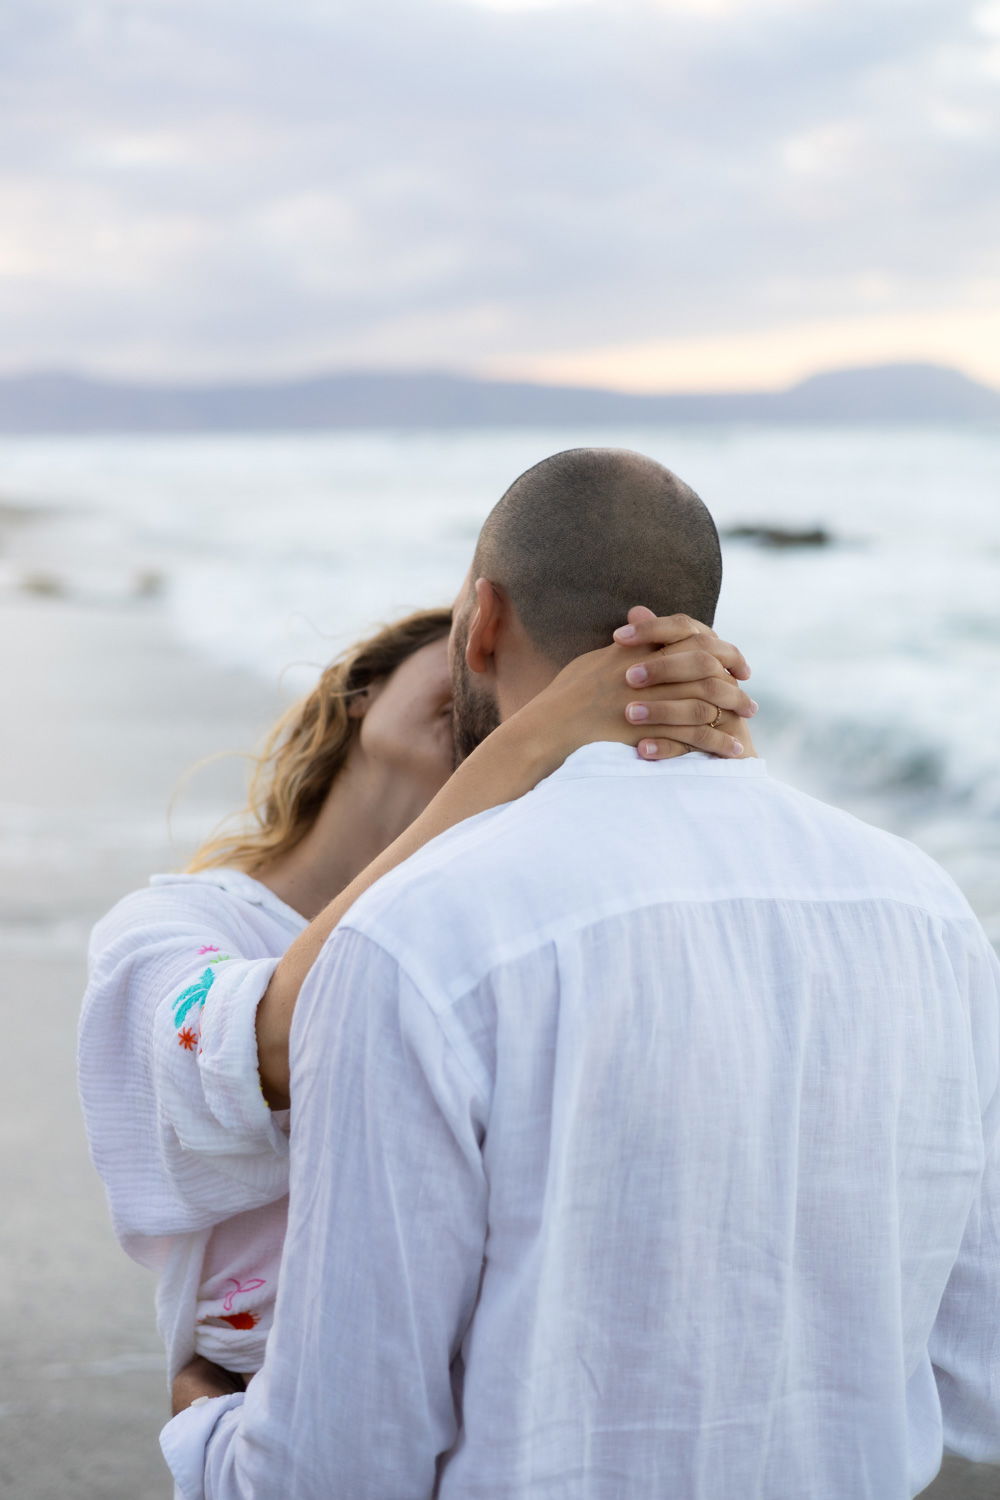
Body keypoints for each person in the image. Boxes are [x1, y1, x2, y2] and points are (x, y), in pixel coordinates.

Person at [162, 446, 1000, 1500]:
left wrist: (206, 1431)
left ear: (483, 621)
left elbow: (339, 1464)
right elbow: (977, 1376)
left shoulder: (416, 936)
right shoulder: (924, 908)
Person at [79, 598, 756, 1391]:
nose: (495, 699)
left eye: (524, 693)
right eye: (471, 658)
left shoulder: (514, 945)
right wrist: (526, 741)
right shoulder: (175, 923)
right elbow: (256, 1051)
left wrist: (721, 744)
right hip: (291, 1422)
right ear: (363, 689)